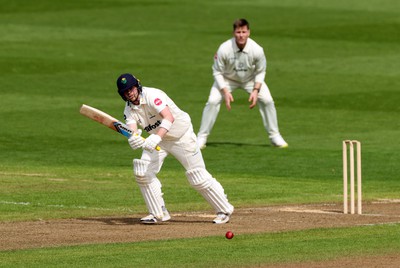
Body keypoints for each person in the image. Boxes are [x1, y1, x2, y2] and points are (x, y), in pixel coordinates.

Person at [116, 73, 234, 224]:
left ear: (136, 86)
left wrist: (156, 137)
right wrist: (134, 138)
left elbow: (168, 117)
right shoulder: (129, 109)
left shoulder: (153, 95)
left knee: (197, 175)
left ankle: (224, 210)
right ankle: (158, 212)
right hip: (158, 140)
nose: (129, 93)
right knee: (142, 171)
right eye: (125, 92)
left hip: (181, 136)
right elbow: (132, 129)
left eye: (130, 89)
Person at [197, 18, 288, 149]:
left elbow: (261, 71)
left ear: (249, 32)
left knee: (267, 100)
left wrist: (256, 90)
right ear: (234, 33)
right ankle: (202, 137)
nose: (241, 35)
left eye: (244, 32)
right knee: (212, 101)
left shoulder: (257, 49)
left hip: (250, 80)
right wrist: (225, 91)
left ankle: (275, 136)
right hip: (227, 80)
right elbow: (217, 72)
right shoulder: (224, 48)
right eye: (238, 32)